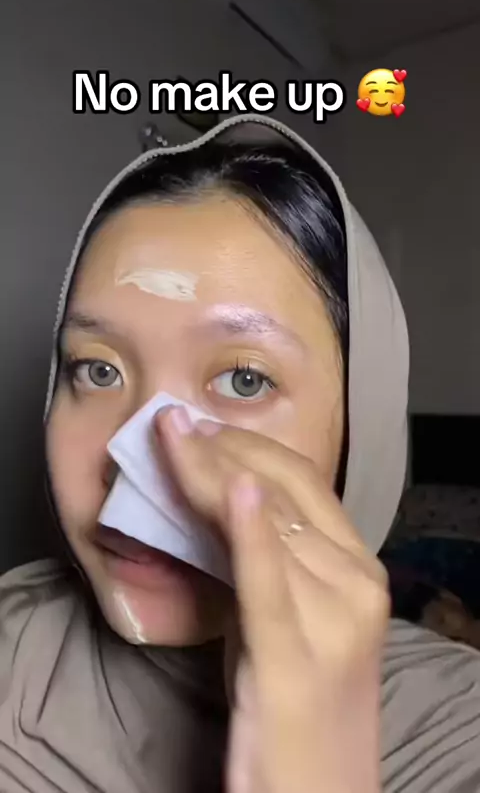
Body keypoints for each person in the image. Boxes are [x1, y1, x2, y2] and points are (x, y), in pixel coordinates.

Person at [1, 114, 480, 793]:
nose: (134, 461)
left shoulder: (458, 728)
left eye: (243, 380)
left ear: (362, 432)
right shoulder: (14, 657)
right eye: (98, 371)